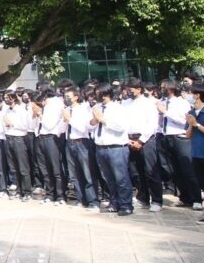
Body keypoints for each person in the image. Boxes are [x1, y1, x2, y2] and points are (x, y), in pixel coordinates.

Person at [159, 80, 203, 210]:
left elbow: (185, 121)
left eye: (163, 88)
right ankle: (184, 197)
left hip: (180, 137)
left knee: (188, 169)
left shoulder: (181, 102)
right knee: (174, 171)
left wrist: (166, 112)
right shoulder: (163, 102)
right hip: (167, 137)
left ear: (171, 88)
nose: (161, 90)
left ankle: (197, 199)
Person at [93, 83, 134, 216]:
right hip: (101, 147)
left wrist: (103, 119)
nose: (96, 96)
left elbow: (120, 126)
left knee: (121, 178)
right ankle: (114, 202)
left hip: (116, 147)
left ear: (106, 94)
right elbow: (92, 125)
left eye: (99, 93)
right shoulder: (97, 107)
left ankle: (126, 204)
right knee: (108, 178)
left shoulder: (117, 108)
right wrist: (94, 120)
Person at [124, 77, 163, 212]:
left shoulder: (148, 103)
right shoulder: (125, 104)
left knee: (150, 171)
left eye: (131, 89)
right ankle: (143, 198)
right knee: (135, 172)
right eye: (127, 89)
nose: (128, 92)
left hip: (146, 140)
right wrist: (127, 139)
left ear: (139, 89)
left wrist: (141, 141)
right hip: (130, 139)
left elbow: (152, 123)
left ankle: (157, 200)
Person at [63, 86, 100, 210]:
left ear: (76, 97)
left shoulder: (83, 109)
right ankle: (80, 199)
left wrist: (69, 119)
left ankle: (93, 201)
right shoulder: (66, 110)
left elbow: (83, 128)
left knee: (87, 173)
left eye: (68, 96)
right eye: (65, 96)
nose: (66, 98)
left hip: (81, 142)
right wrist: (64, 120)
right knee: (74, 174)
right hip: (69, 142)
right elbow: (62, 129)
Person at [184, 85, 204, 223]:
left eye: (190, 93)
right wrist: (190, 124)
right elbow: (188, 135)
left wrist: (196, 125)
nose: (188, 95)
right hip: (196, 154)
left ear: (197, 95)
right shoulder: (191, 112)